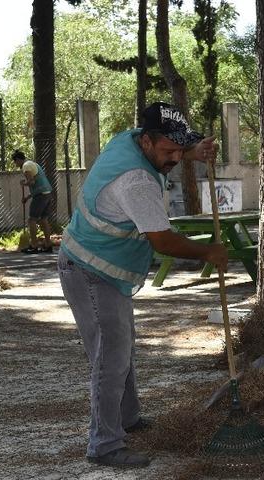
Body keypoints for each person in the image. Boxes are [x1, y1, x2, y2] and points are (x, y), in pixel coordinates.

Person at [57, 102, 228, 468]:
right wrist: (209, 252)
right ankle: (104, 445)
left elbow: (172, 149)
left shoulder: (131, 140)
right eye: (169, 151)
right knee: (111, 357)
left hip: (105, 267)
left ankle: (128, 419)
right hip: (89, 269)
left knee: (121, 348)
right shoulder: (136, 182)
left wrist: (194, 151)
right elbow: (163, 242)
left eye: (180, 150)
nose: (174, 158)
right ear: (148, 141)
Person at [12, 150, 54, 253]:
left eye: (15, 161)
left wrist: (24, 184)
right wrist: (27, 197)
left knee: (32, 220)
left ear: (18, 159)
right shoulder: (33, 163)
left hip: (40, 196)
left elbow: (32, 181)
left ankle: (34, 246)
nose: (15, 164)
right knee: (43, 220)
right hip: (47, 193)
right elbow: (38, 184)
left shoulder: (26, 166)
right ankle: (48, 245)